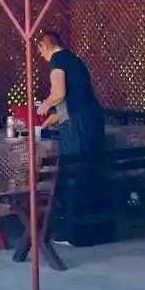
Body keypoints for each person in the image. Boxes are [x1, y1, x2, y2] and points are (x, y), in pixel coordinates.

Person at [35, 31, 111, 246]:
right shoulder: (75, 61)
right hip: (92, 121)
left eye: (40, 51)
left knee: (73, 173)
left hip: (77, 127)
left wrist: (44, 105)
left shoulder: (58, 62)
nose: (41, 56)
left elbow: (59, 93)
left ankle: (75, 233)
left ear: (45, 47)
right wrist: (52, 119)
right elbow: (75, 99)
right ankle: (98, 232)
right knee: (92, 173)